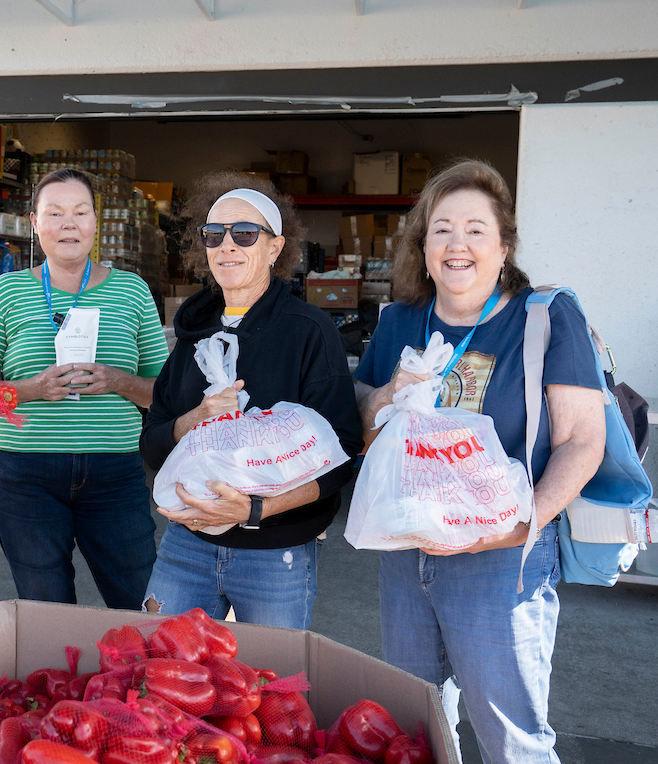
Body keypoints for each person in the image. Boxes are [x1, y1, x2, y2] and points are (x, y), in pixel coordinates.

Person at [353, 159, 605, 764]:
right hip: (407, 552)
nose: (456, 244)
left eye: (474, 229)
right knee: (417, 726)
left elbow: (581, 441)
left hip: (501, 559)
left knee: (509, 734)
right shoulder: (400, 322)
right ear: (423, 244)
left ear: (504, 244)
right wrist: (390, 393)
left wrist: (526, 525)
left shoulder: (544, 319)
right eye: (441, 229)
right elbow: (362, 424)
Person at [139, 172, 363, 627]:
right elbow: (153, 441)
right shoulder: (192, 335)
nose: (227, 245)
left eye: (244, 233)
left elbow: (340, 455)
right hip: (187, 543)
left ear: (275, 247)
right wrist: (196, 418)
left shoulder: (308, 331)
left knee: (266, 687)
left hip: (274, 550)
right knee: (160, 676)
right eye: (213, 234)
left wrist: (255, 509)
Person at [0, 168, 168, 609]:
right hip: (25, 474)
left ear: (95, 222)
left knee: (141, 600)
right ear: (34, 222)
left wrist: (118, 380)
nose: (68, 224)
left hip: (114, 471)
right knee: (45, 605)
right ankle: (64, 680)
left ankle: (142, 680)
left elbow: (164, 394)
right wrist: (31, 389)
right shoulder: (7, 291)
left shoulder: (131, 291)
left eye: (80, 212)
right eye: (54, 213)